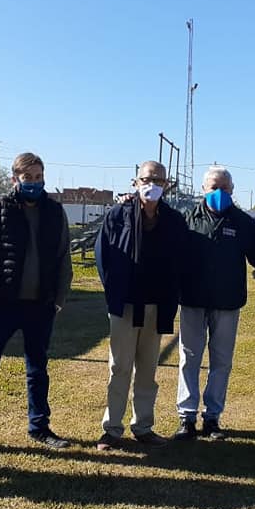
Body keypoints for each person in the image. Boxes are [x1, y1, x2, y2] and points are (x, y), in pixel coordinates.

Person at [0, 152, 73, 460]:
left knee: (37, 370)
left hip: (41, 306)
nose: (34, 183)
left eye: (39, 177)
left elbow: (64, 256)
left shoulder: (54, 212)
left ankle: (39, 427)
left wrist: (59, 299)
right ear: (15, 179)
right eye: (28, 178)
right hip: (2, 305)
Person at [95, 160, 187, 450]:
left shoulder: (174, 220)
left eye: (159, 180)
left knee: (148, 370)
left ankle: (143, 426)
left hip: (157, 304)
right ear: (136, 182)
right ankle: (112, 430)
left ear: (167, 185)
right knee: (119, 368)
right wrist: (114, 290)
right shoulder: (118, 215)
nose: (153, 185)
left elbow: (181, 262)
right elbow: (103, 256)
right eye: (147, 179)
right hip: (125, 304)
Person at [174, 166, 255, 441]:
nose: (219, 192)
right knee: (188, 359)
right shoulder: (187, 219)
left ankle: (212, 417)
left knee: (222, 361)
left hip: (227, 302)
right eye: (214, 187)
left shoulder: (242, 222)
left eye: (224, 188)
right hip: (192, 300)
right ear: (203, 189)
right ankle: (187, 417)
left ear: (232, 190)